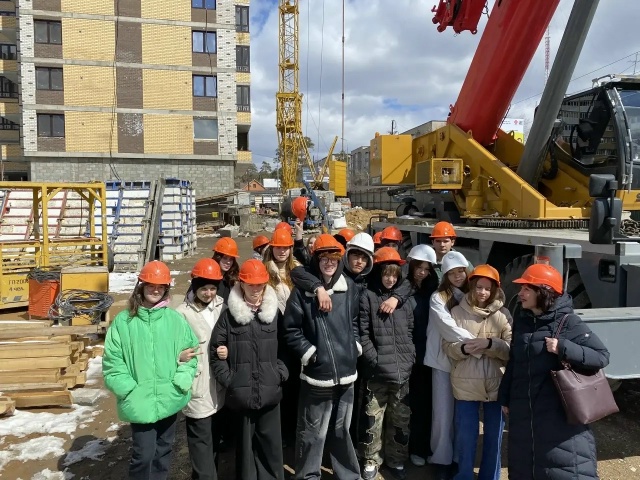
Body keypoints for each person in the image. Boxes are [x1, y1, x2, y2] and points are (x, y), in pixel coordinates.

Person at [498, 264, 609, 480]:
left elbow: (601, 356)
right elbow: (515, 361)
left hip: (558, 415)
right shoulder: (523, 320)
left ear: (543, 292)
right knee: (525, 467)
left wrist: (563, 347)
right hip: (524, 412)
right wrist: (505, 397)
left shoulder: (569, 322)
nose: (520, 293)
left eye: (526, 289)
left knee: (561, 467)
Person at [103, 261, 199, 480]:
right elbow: (112, 362)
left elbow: (191, 355)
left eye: (160, 287)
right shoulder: (124, 322)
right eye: (151, 285)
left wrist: (180, 382)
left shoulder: (175, 320)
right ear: (141, 286)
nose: (155, 290)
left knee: (163, 452)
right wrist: (129, 390)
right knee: (144, 455)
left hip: (169, 397)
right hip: (140, 401)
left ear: (166, 289)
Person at [283, 234, 361, 480]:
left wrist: (354, 347)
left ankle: (348, 475)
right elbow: (291, 330)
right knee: (312, 432)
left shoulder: (349, 288)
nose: (329, 263)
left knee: (341, 429)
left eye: (334, 259)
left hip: (347, 374)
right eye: (324, 258)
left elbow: (355, 321)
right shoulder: (302, 293)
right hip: (318, 375)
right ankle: (308, 476)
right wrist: (310, 354)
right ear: (316, 260)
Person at [211, 259, 288, 480]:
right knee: (245, 453)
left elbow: (286, 347)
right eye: (251, 284)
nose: (256, 289)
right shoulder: (229, 316)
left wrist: (279, 374)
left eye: (260, 284)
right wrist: (231, 380)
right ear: (241, 284)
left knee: (271, 450)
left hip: (270, 391)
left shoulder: (274, 314)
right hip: (242, 396)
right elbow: (216, 350)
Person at [444, 265, 512, 480]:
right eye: (479, 287)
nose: (483, 292)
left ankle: (490, 476)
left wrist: (490, 344)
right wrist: (463, 348)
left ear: (495, 290)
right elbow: (447, 347)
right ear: (471, 287)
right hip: (465, 383)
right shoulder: (456, 313)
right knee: (466, 436)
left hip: (496, 384)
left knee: (494, 436)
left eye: (488, 288)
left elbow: (511, 350)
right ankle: (464, 475)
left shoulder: (503, 315)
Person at [358, 247, 415, 480]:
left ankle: (396, 460)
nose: (390, 279)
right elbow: (363, 333)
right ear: (378, 273)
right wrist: (375, 359)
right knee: (373, 419)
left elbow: (410, 330)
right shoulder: (368, 297)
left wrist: (409, 356)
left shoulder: (404, 301)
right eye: (386, 274)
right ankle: (371, 459)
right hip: (378, 373)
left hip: (402, 372)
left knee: (400, 419)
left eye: (394, 274)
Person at [424, 251, 474, 480]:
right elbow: (448, 328)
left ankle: (458, 459)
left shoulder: (473, 295)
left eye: (461, 271)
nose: (457, 276)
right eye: (452, 273)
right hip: (443, 360)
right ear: (445, 275)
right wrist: (477, 342)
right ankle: (442, 459)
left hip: (466, 359)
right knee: (443, 414)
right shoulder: (438, 297)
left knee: (462, 415)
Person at [176, 258, 227, 480]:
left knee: (214, 440)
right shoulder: (181, 313)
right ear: (195, 287)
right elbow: (170, 346)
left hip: (218, 388)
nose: (208, 293)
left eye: (212, 288)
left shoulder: (222, 306)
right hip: (198, 386)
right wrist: (178, 356)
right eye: (203, 288)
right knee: (200, 443)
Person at [405, 245, 439, 467]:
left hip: (428, 355)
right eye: (419, 267)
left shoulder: (433, 289)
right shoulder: (401, 289)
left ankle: (422, 447)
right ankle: (411, 448)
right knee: (408, 404)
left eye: (427, 269)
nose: (422, 272)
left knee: (426, 404)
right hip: (408, 353)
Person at [263, 228, 300, 314]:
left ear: (290, 249)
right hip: (275, 318)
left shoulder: (297, 268)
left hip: (295, 318)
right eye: (278, 247)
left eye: (285, 248)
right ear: (272, 249)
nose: (282, 251)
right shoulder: (264, 270)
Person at [211, 237, 240, 302]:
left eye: (231, 259)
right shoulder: (207, 275)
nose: (228, 262)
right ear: (217, 257)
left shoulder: (232, 278)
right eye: (225, 258)